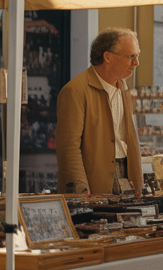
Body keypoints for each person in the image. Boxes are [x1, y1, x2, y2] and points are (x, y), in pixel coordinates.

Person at [56, 28, 142, 196]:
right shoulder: (75, 91)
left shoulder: (124, 89)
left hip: (127, 176)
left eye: (137, 56)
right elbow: (69, 147)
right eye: (131, 56)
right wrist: (80, 190)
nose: (136, 63)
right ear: (107, 57)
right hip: (94, 181)